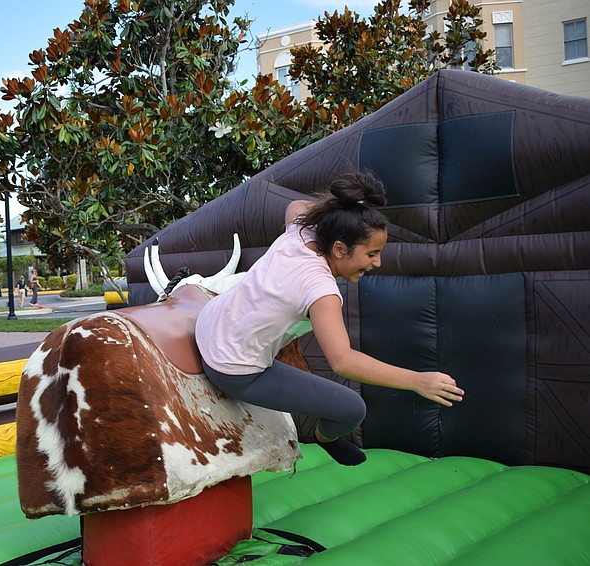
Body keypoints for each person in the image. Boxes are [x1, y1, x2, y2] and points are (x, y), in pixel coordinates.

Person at [195, 171, 464, 467]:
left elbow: (296, 205)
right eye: (372, 253)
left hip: (208, 323)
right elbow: (342, 361)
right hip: (232, 368)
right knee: (352, 410)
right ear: (339, 249)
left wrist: (344, 210)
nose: (378, 262)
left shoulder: (300, 233)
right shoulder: (320, 288)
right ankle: (323, 436)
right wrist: (417, 381)